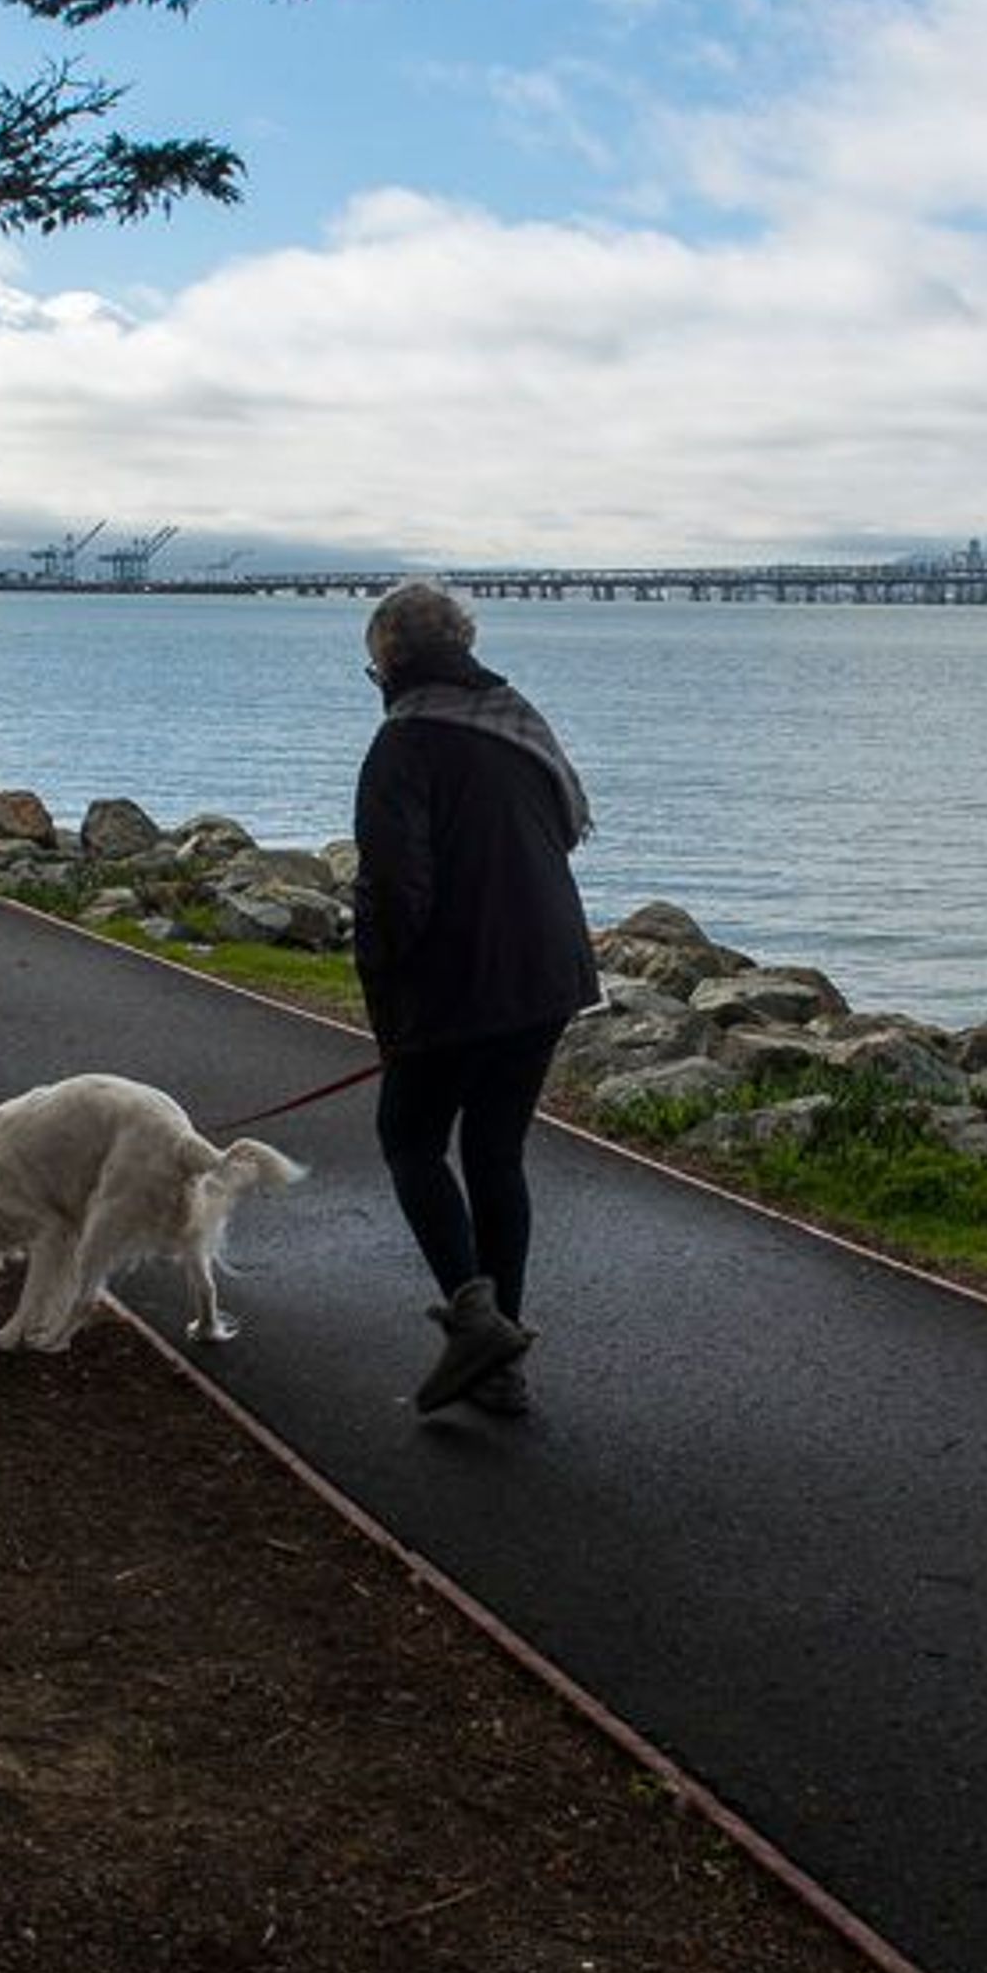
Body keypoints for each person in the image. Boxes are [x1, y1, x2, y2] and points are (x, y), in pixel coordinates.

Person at [350, 579, 598, 1418]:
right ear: (463, 640)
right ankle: (500, 1361)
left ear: (387, 659)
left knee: (409, 1139)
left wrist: (390, 1009)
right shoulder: (519, 721)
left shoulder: (403, 744)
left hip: (462, 978)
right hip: (548, 969)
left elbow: (395, 890)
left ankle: (477, 1322)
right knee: (495, 1153)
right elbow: (562, 830)